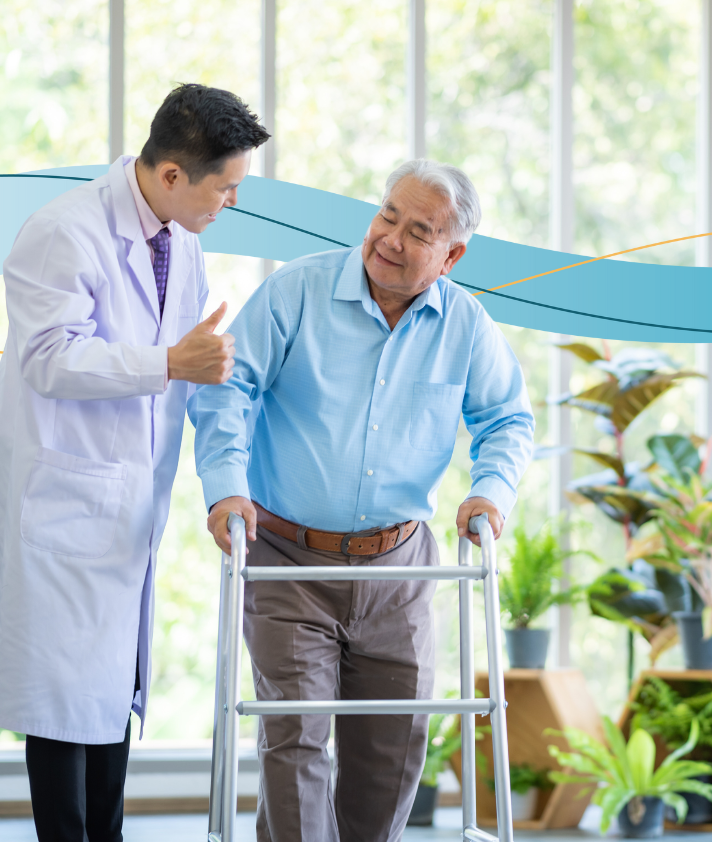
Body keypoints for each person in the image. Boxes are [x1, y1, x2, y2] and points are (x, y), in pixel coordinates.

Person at [0, 83, 269, 842]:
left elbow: (187, 360)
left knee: (110, 697)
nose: (231, 203)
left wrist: (198, 374)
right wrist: (169, 363)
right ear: (175, 176)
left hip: (123, 507)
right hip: (63, 500)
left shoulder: (182, 241)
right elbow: (49, 359)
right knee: (59, 705)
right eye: (226, 187)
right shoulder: (64, 231)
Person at [189, 158, 535, 842]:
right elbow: (229, 389)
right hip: (288, 559)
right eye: (387, 216)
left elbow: (507, 420)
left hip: (400, 569)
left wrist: (490, 494)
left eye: (419, 231)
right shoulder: (297, 291)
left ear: (452, 253)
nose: (391, 239)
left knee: (392, 752)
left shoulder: (464, 324)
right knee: (296, 744)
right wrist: (226, 486)